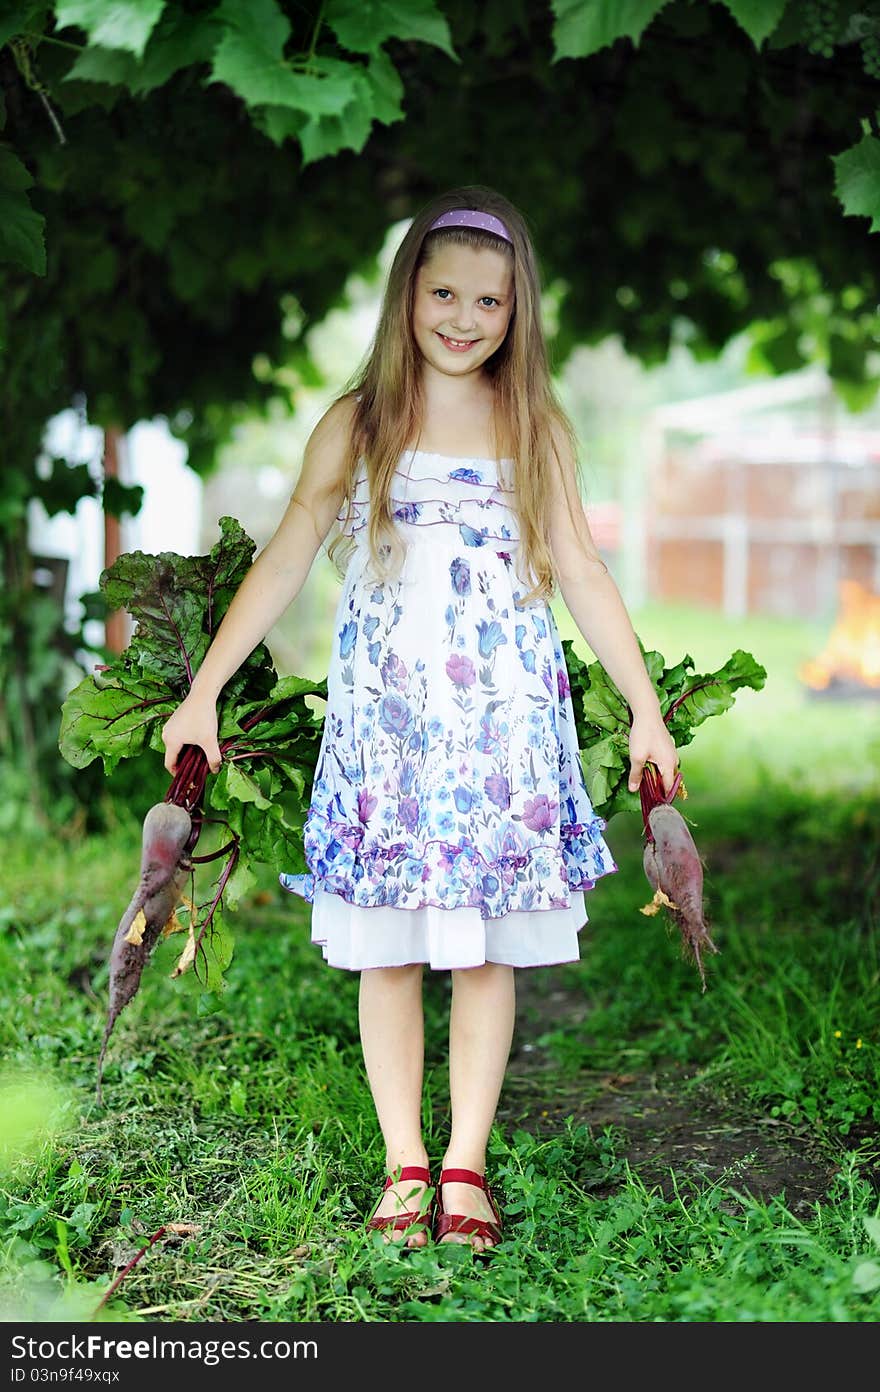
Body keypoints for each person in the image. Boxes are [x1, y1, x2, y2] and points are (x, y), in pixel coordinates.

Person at [161, 185, 678, 1254]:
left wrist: (645, 712)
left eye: (487, 301)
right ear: (407, 298)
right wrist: (203, 690)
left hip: (500, 732)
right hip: (387, 731)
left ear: (514, 311)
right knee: (389, 950)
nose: (461, 317)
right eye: (442, 292)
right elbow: (290, 554)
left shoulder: (533, 425)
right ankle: (405, 1159)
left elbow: (579, 567)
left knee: (484, 952)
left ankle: (466, 1162)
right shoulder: (359, 423)